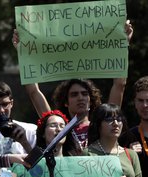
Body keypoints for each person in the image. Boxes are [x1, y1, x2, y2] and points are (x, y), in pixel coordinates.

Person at [12, 20, 134, 152]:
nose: (80, 98)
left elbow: (119, 85)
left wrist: (123, 44)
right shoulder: (58, 126)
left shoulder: (103, 123)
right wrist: (23, 53)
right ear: (66, 102)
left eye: (85, 93)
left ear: (91, 99)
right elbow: (34, 92)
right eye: (74, 94)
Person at [83, 103, 145, 177]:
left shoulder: (131, 154)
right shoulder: (88, 154)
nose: (116, 123)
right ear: (98, 124)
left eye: (119, 119)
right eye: (109, 120)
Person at [0, 81, 37, 155]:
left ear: (11, 103)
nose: (1, 110)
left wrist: (24, 142)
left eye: (5, 104)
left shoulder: (30, 130)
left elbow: (40, 164)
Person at [119, 76, 148, 177]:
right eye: (140, 101)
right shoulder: (127, 137)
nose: (145, 105)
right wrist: (128, 157)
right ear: (135, 103)